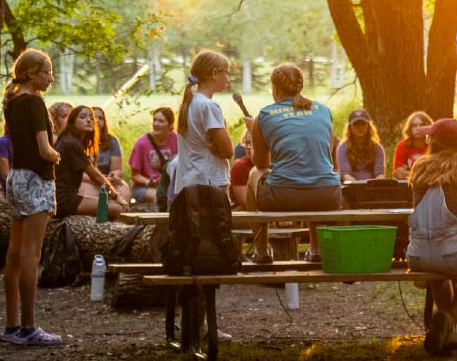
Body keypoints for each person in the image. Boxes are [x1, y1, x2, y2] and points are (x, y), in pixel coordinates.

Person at [404, 117, 457, 355]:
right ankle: (449, 317)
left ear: (436, 142)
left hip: (419, 255)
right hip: (455, 249)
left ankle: (447, 333)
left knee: (438, 270)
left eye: (430, 136)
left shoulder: (420, 167)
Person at [249, 63, 342, 261]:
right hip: (328, 195)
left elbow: (261, 164)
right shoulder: (323, 110)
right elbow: (324, 154)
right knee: (315, 172)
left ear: (275, 89)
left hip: (283, 196)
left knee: (253, 175)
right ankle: (316, 249)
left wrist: (257, 134)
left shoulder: (264, 116)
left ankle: (262, 250)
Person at [2, 48, 63, 345]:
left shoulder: (12, 102)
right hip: (37, 179)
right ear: (30, 74)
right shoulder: (35, 103)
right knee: (31, 254)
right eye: (46, 72)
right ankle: (29, 327)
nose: (51, 78)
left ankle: (11, 325)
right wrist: (56, 155)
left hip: (16, 177)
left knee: (14, 253)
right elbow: (43, 149)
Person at [172, 50, 234, 201]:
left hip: (189, 182)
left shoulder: (189, 103)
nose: (228, 78)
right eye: (226, 73)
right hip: (210, 183)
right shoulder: (209, 106)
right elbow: (228, 151)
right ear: (214, 73)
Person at [52, 104, 124, 217]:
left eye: (91, 118)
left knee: (108, 204)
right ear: (72, 122)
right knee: (117, 207)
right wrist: (116, 196)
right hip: (62, 200)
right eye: (83, 117)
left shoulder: (72, 141)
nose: (89, 120)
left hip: (66, 196)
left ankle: (101, 223)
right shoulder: (70, 143)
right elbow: (95, 176)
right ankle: (101, 226)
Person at [129, 106, 179, 207]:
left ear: (170, 125)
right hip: (145, 187)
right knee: (160, 197)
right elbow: (135, 176)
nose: (156, 124)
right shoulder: (142, 143)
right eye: (154, 120)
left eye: (160, 121)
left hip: (169, 185)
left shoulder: (176, 139)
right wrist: (148, 182)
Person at [336, 109, 386, 182]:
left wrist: (373, 185)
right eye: (356, 124)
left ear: (368, 126)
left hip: (372, 186)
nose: (360, 127)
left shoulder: (377, 148)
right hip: (351, 185)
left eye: (363, 124)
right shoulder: (342, 148)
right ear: (350, 127)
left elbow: (380, 174)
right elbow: (345, 174)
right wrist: (358, 185)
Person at [392, 111, 431, 179]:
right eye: (414, 126)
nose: (418, 128)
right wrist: (424, 175)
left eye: (422, 125)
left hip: (429, 183)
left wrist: (407, 172)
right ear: (409, 128)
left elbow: (437, 172)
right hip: (406, 183)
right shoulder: (403, 145)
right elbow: (399, 174)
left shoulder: (433, 145)